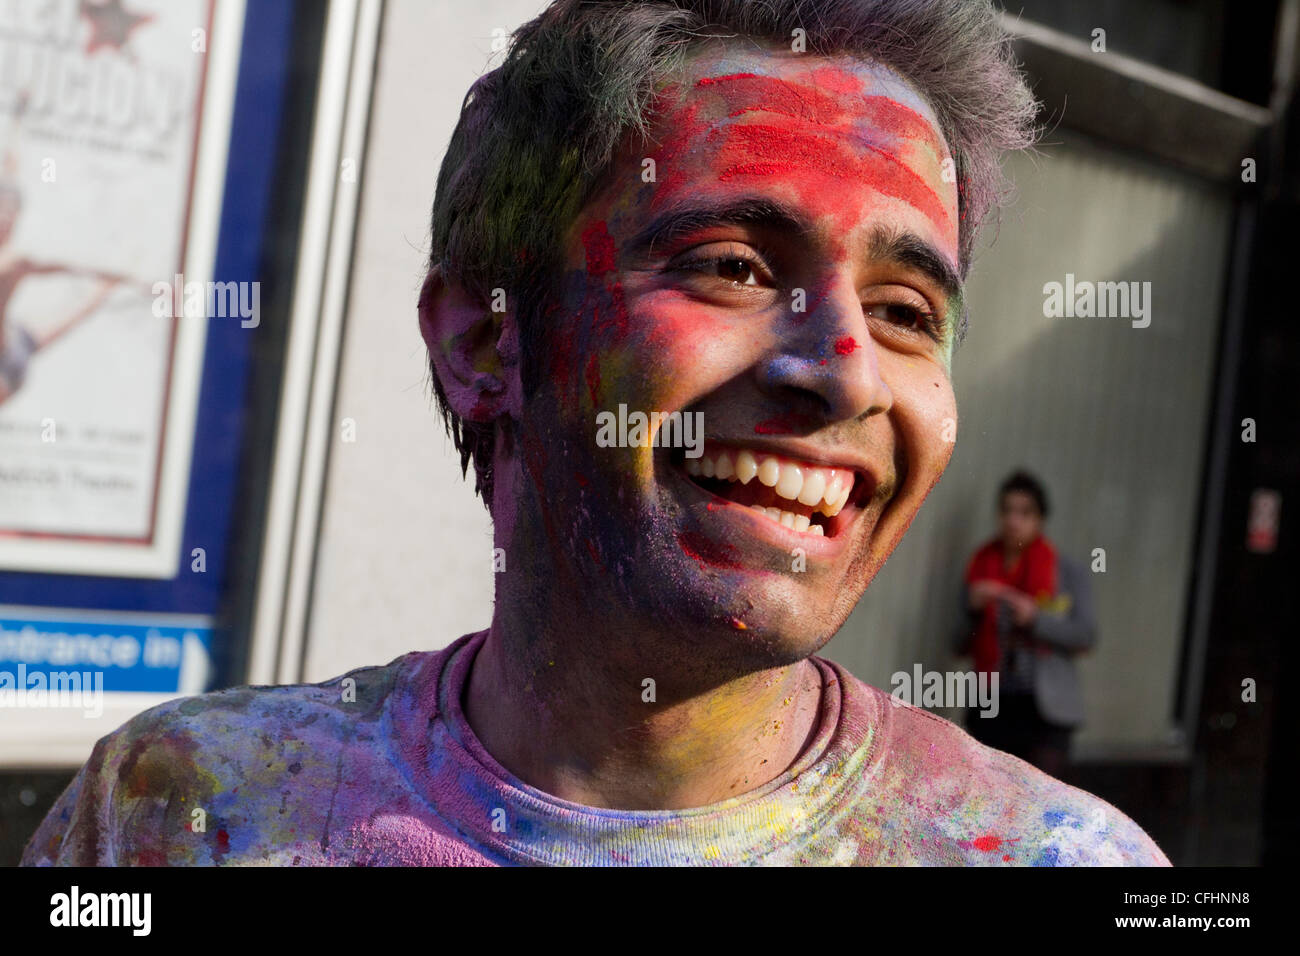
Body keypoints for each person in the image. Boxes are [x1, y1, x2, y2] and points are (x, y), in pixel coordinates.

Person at [24, 0, 1168, 866]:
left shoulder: (1056, 859)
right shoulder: (177, 811)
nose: (844, 369)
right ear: (484, 339)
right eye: (732, 266)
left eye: (906, 312)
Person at [956, 470, 1096, 779]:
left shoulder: (1066, 571)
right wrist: (973, 610)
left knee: (1042, 796)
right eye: (1006, 510)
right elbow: (956, 643)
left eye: (1024, 513)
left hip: (1046, 709)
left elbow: (1085, 636)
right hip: (992, 702)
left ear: (1040, 519)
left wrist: (1035, 619)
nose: (1013, 521)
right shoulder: (982, 566)